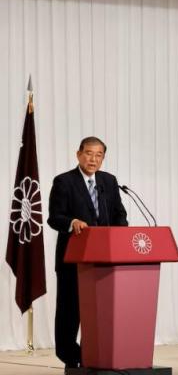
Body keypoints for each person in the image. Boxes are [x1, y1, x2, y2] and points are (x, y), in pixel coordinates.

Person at [48, 136, 128, 369]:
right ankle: (70, 356)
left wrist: (122, 235)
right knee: (70, 311)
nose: (93, 159)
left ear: (103, 158)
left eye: (99, 155)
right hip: (73, 259)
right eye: (89, 153)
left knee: (101, 312)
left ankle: (97, 355)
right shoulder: (64, 181)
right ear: (78, 154)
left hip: (105, 260)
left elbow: (118, 214)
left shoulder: (109, 181)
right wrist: (72, 222)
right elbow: (54, 217)